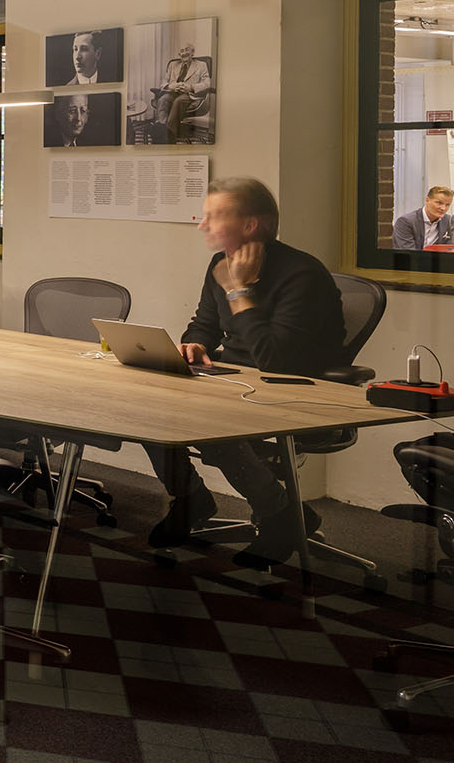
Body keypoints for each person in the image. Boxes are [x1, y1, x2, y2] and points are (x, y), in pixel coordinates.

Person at [145, 177, 344, 569]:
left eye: (214, 216)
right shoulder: (221, 264)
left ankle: (279, 515)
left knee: (213, 426)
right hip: (230, 379)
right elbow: (204, 322)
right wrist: (195, 344)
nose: (203, 225)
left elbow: (273, 359)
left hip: (290, 388)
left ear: (250, 225)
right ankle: (191, 499)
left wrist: (239, 292)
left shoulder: (302, 274)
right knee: (146, 408)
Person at [148, 43, 212, 142]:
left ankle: (169, 133)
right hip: (173, 92)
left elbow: (207, 83)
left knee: (179, 101)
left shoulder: (201, 65)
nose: (184, 53)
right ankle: (162, 130)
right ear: (179, 54)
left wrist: (191, 87)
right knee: (163, 99)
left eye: (187, 50)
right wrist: (171, 86)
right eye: (181, 51)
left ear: (192, 53)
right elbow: (164, 82)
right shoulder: (173, 65)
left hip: (190, 95)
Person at [393, 185, 454, 250]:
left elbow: (450, 248)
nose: (443, 208)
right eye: (439, 203)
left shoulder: (448, 221)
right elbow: (408, 253)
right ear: (427, 200)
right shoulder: (406, 222)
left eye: (447, 205)